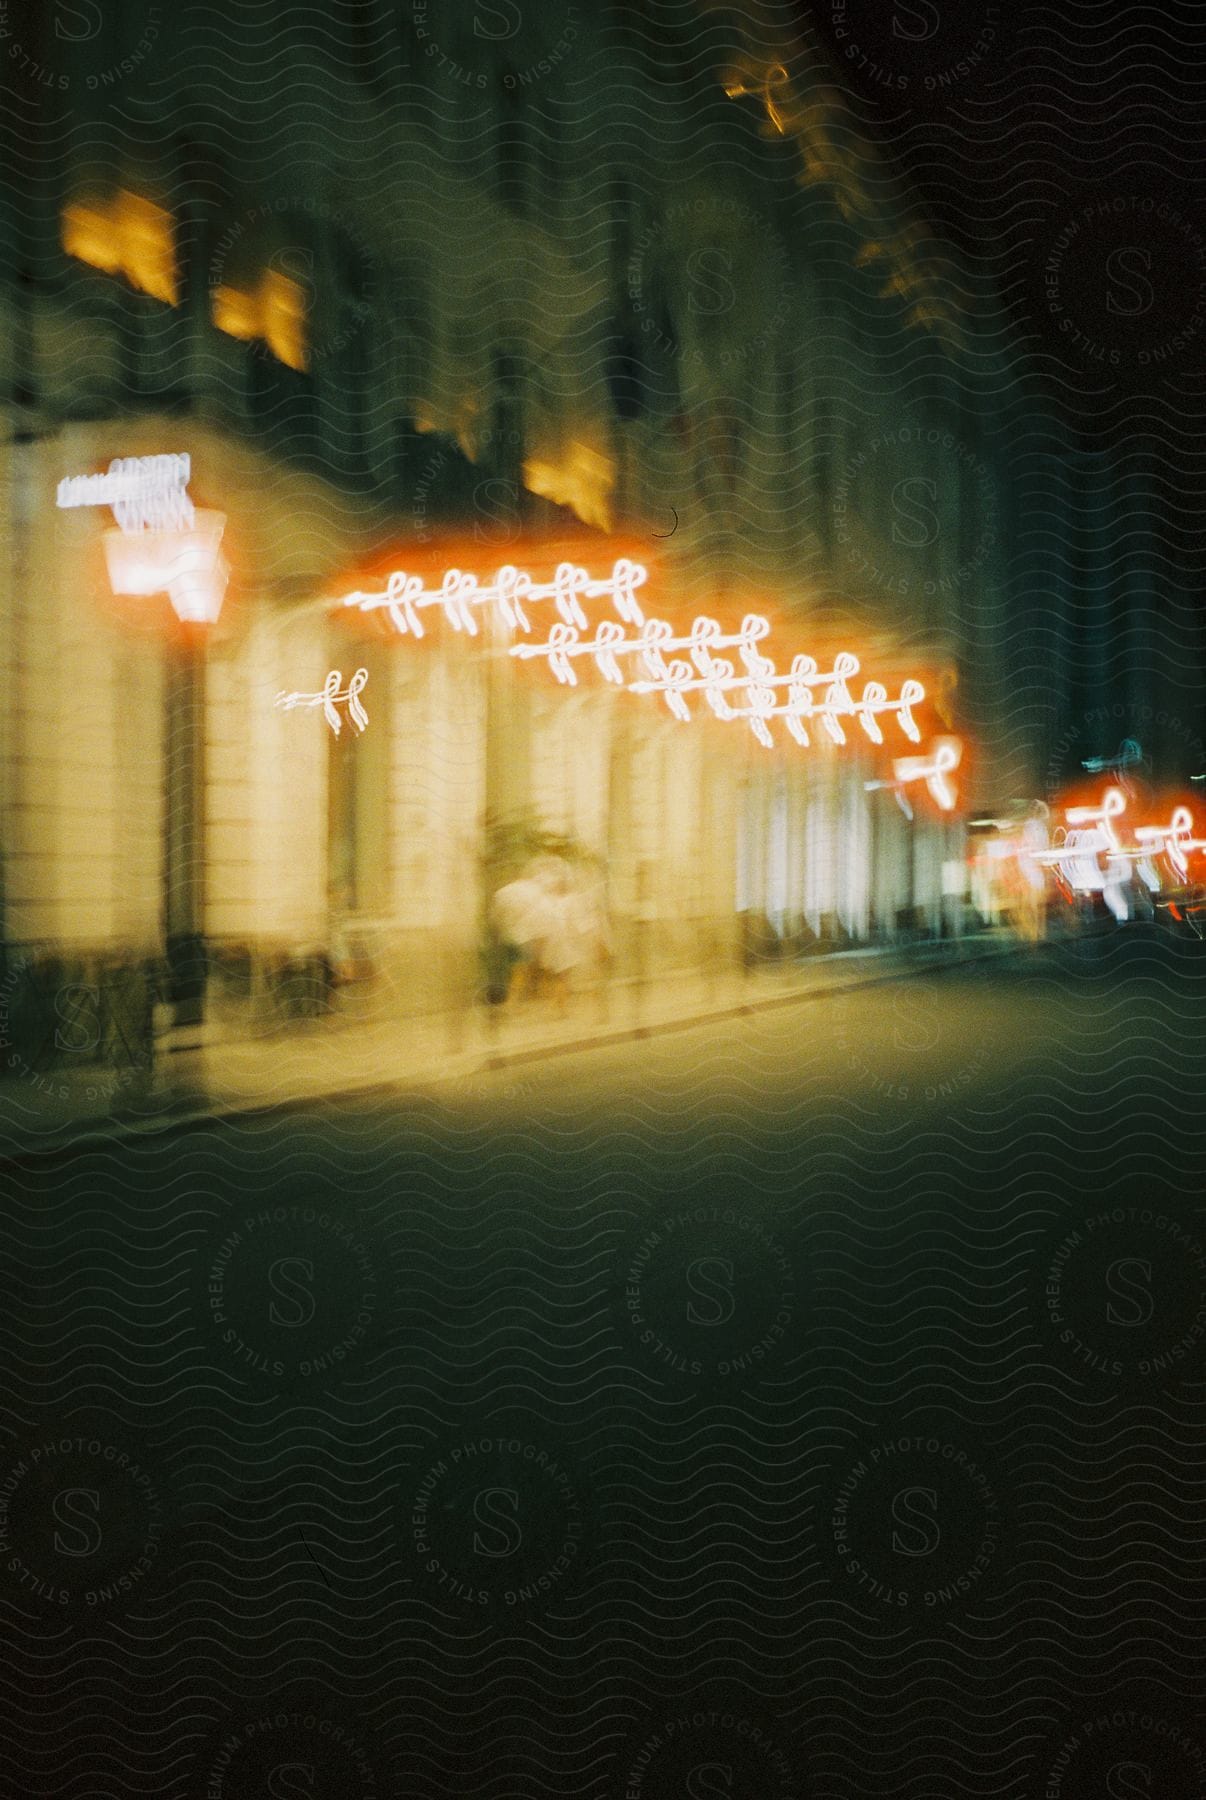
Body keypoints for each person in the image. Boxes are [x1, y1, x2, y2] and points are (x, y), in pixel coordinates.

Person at [489, 862, 552, 1003]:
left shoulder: (502, 892)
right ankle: (512, 1002)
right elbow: (541, 913)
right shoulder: (531, 890)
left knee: (513, 970)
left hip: (507, 936)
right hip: (525, 936)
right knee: (521, 971)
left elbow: (494, 918)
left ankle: (518, 999)